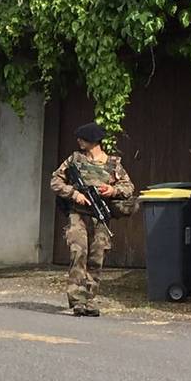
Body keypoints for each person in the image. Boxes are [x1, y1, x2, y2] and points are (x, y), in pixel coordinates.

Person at [49, 122, 134, 317]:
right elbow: (55, 181)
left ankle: (90, 299)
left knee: (96, 257)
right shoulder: (75, 160)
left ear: (93, 141)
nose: (78, 141)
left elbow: (129, 187)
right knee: (78, 253)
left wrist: (113, 190)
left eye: (82, 138)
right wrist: (74, 194)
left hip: (99, 216)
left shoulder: (113, 164)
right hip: (78, 214)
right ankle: (77, 300)